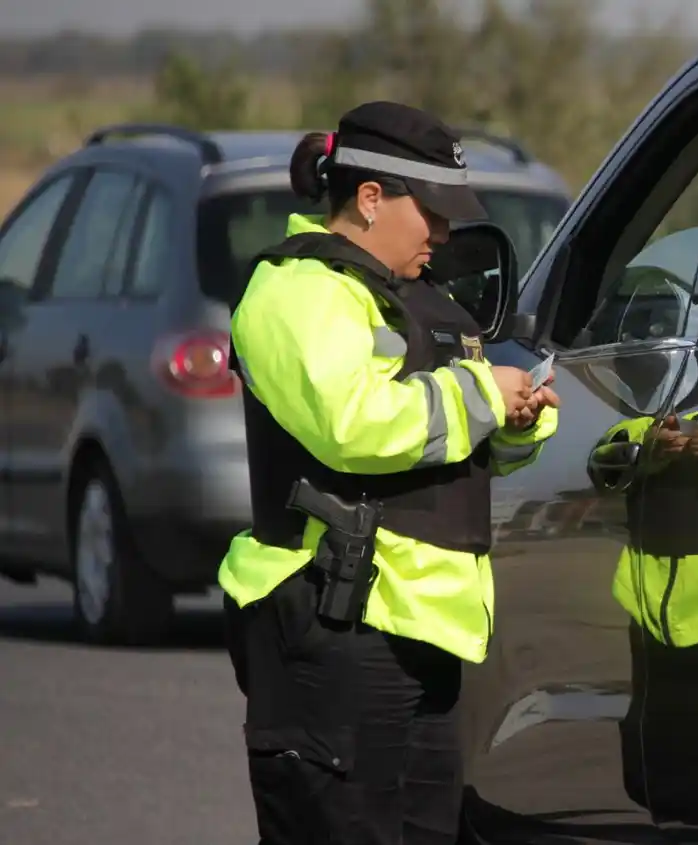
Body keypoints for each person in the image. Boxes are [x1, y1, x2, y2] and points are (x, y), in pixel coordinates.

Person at [218, 101, 560, 845]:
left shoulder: (424, 300)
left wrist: (516, 417)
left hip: (418, 627)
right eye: (431, 211)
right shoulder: (297, 292)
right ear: (369, 198)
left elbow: (442, 438)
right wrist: (480, 395)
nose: (442, 232)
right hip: (335, 622)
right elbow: (353, 424)